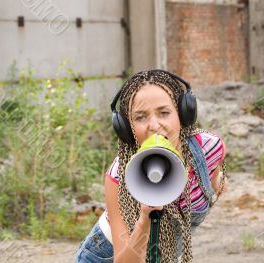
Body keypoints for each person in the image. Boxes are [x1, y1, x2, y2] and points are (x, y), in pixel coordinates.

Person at [75, 70, 228, 263]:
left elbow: (217, 180)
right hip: (106, 255)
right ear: (126, 128)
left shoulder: (208, 149)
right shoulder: (119, 176)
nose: (154, 125)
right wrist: (144, 219)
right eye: (140, 117)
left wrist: (217, 182)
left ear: (182, 115)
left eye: (164, 113)